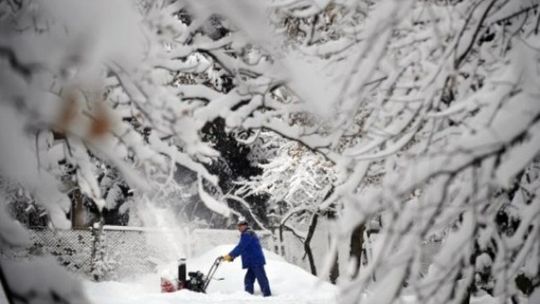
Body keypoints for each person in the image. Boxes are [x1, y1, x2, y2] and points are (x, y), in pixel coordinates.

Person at [221, 220, 272, 297]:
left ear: (245, 226)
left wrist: (230, 256)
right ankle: (248, 295)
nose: (238, 228)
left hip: (255, 261)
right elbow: (243, 248)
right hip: (253, 261)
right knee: (248, 279)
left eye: (240, 226)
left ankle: (267, 295)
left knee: (261, 278)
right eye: (238, 226)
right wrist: (232, 257)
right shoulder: (248, 233)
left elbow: (241, 247)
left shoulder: (247, 234)